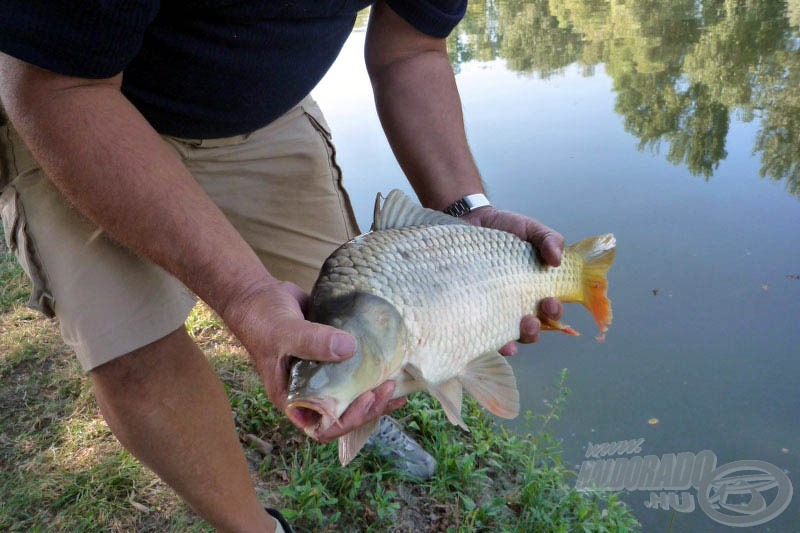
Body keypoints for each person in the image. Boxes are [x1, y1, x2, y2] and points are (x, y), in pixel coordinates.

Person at [0, 1, 565, 531]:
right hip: (74, 100)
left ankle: (357, 403)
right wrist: (243, 296)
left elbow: (411, 49)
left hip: (264, 115)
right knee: (132, 356)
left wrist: (466, 209)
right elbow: (56, 87)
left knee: (350, 312)